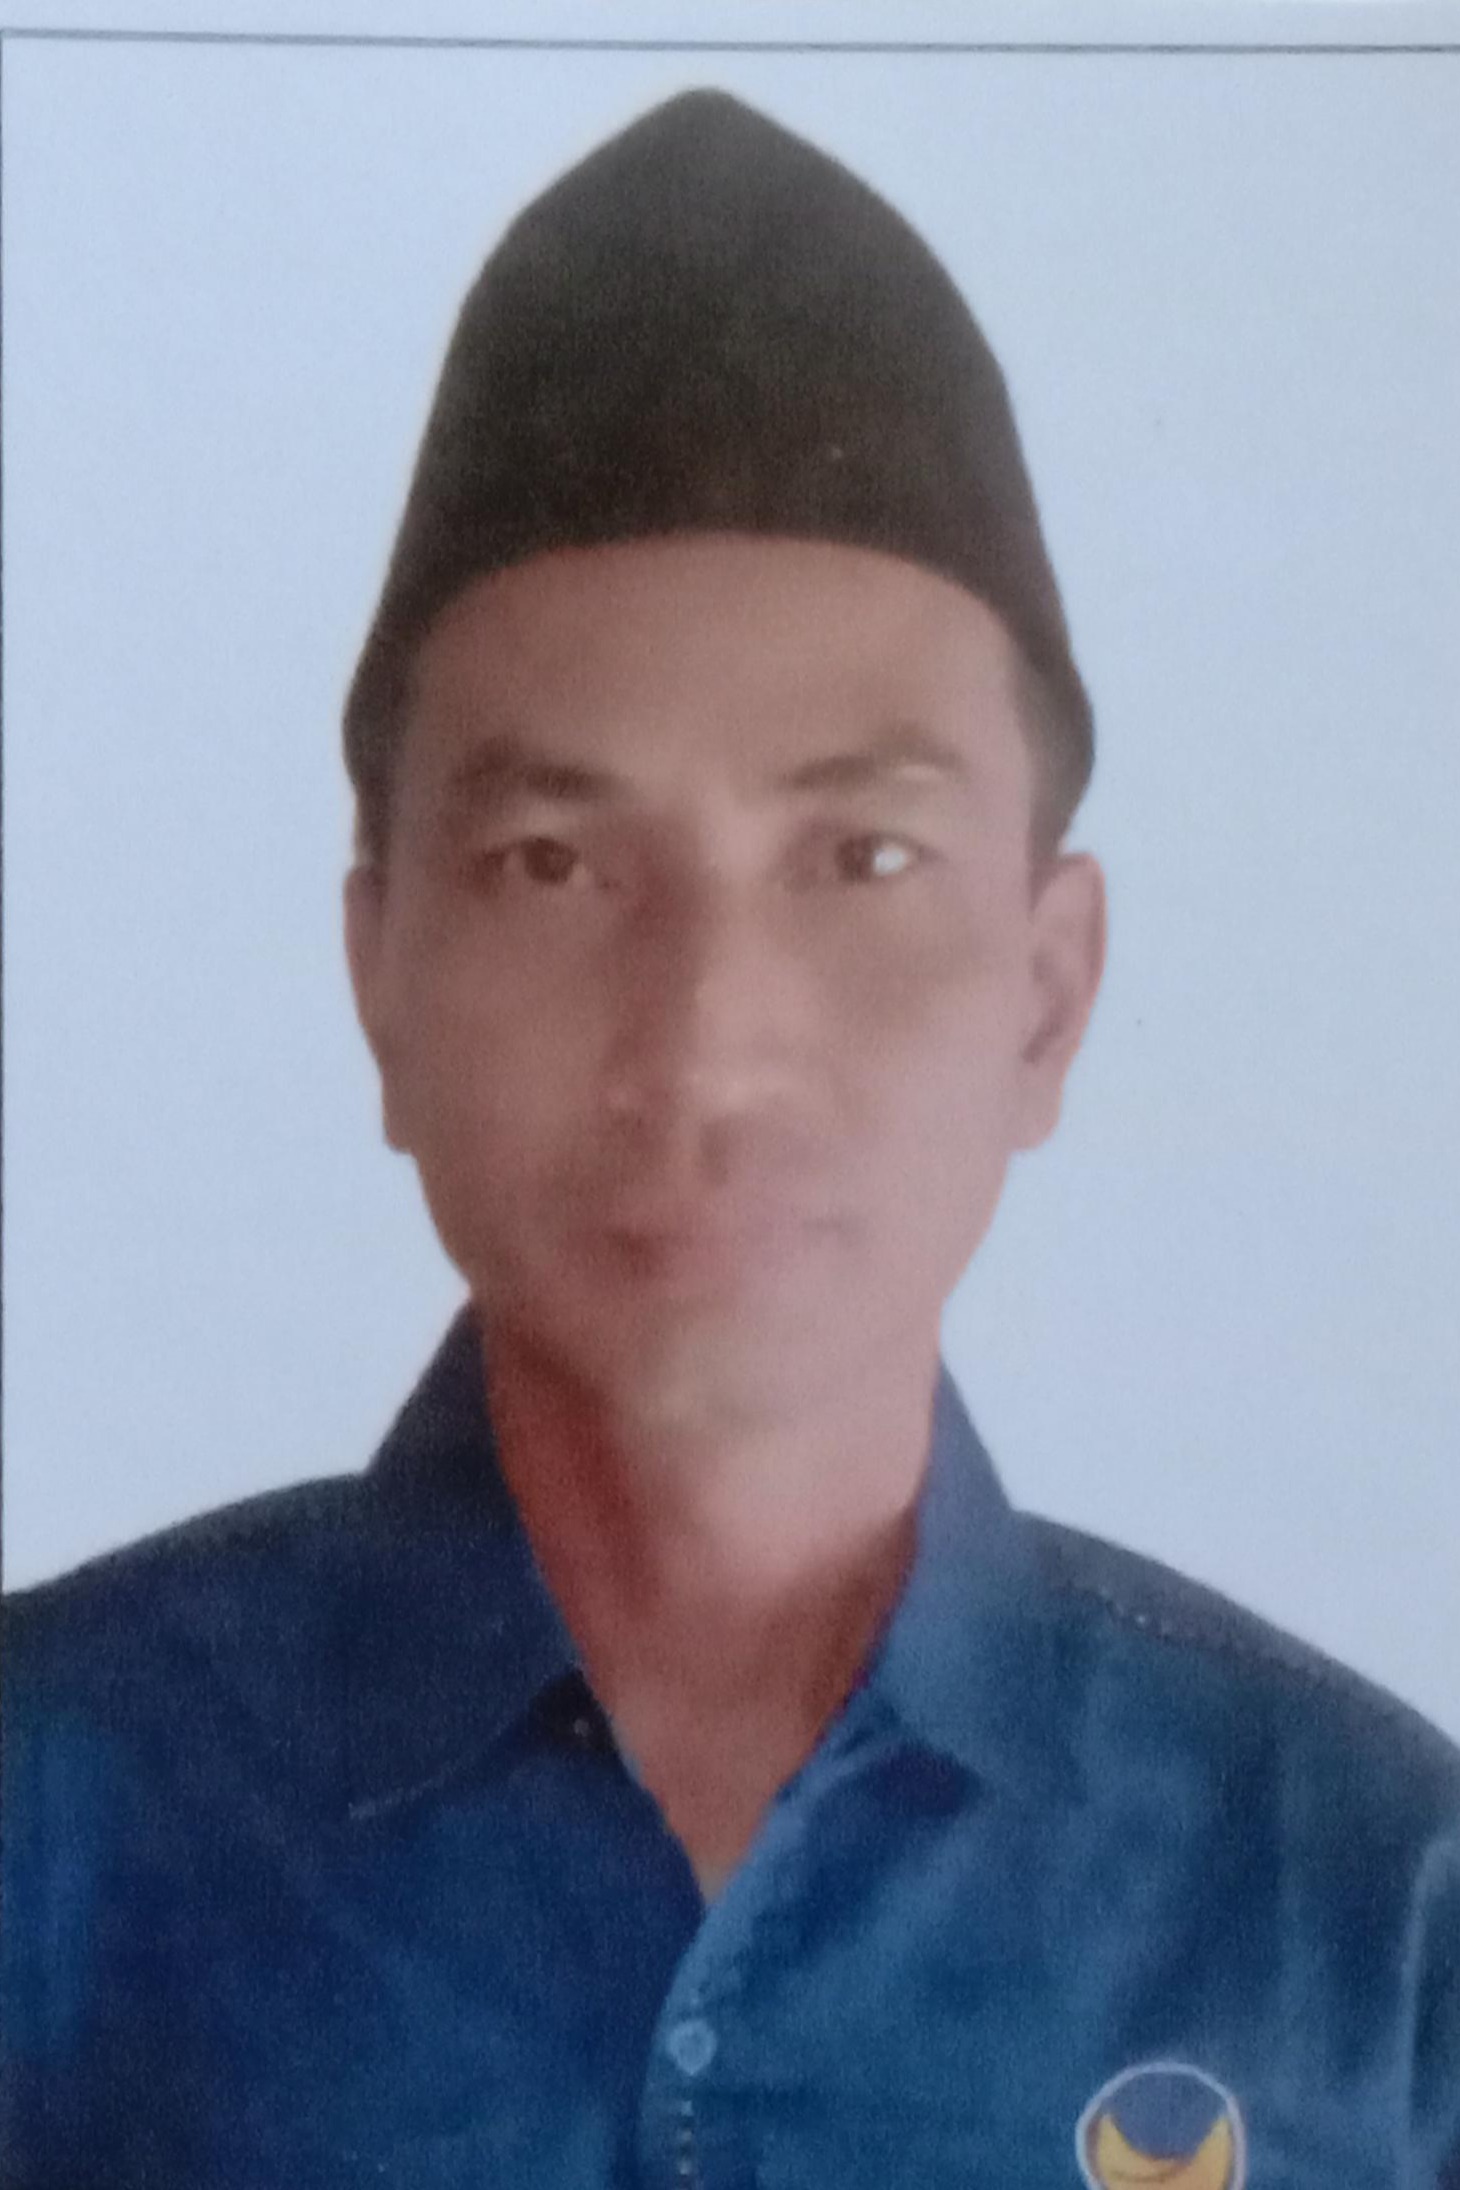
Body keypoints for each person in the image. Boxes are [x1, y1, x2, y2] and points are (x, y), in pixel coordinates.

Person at [2, 87, 1456, 2190]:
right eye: (552, 864)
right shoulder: (48, 1828)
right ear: (379, 974)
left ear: (1047, 994)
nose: (703, 1045)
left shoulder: (1374, 1918)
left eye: (861, 857)